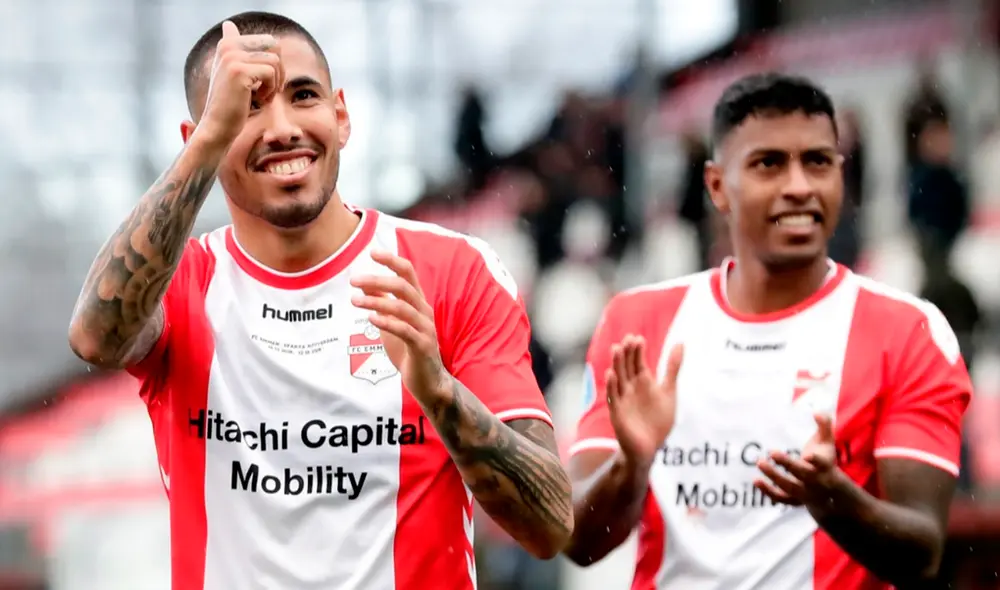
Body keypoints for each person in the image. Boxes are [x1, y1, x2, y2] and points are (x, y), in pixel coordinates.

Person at [66, 11, 572, 590]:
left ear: (341, 116)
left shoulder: (454, 271)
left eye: (303, 96)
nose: (282, 128)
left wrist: (439, 393)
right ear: (197, 138)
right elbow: (94, 338)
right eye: (245, 107)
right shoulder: (178, 280)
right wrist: (209, 143)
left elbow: (550, 526)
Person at [563, 73, 971, 589]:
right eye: (769, 164)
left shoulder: (908, 331)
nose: (799, 186)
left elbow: (923, 551)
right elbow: (580, 541)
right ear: (717, 186)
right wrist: (633, 464)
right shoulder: (637, 323)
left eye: (818, 162)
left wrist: (834, 498)